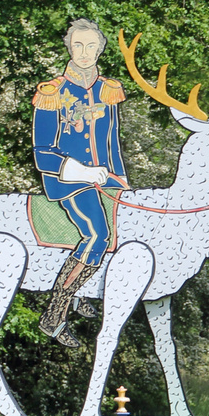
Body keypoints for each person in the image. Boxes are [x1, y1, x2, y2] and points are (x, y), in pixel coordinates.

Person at [32, 18, 128, 346]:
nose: (84, 53)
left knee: (126, 233)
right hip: (68, 180)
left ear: (100, 49)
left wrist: (121, 180)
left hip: (106, 180)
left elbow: (112, 142)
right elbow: (42, 153)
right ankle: (54, 313)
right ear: (68, 48)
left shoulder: (108, 90)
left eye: (91, 46)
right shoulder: (52, 92)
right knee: (98, 234)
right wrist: (82, 172)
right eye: (77, 45)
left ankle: (77, 292)